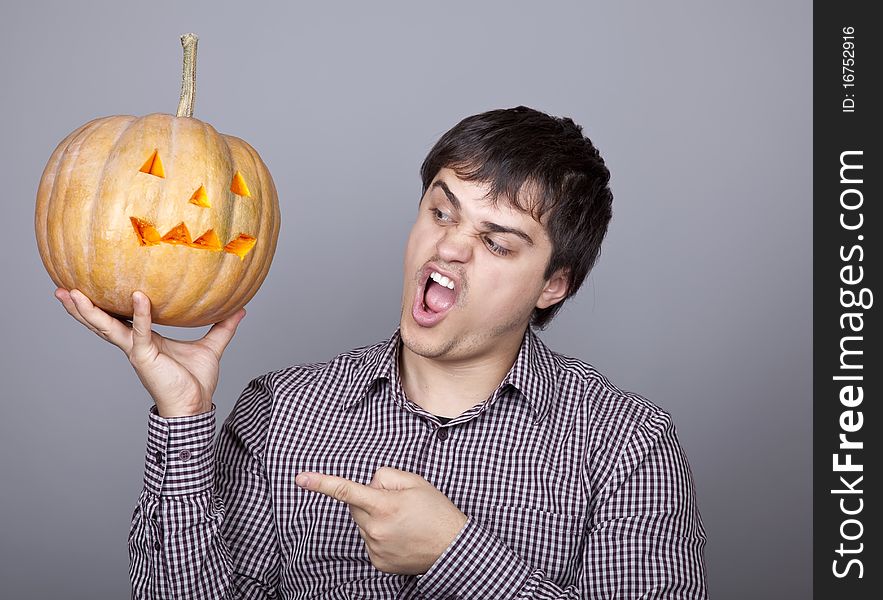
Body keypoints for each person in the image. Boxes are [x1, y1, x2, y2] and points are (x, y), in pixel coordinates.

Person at [56, 106, 708, 599]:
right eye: (441, 212)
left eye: (497, 242)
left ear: (553, 284)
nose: (449, 247)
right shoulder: (280, 411)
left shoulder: (627, 443)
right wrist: (183, 416)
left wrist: (455, 553)